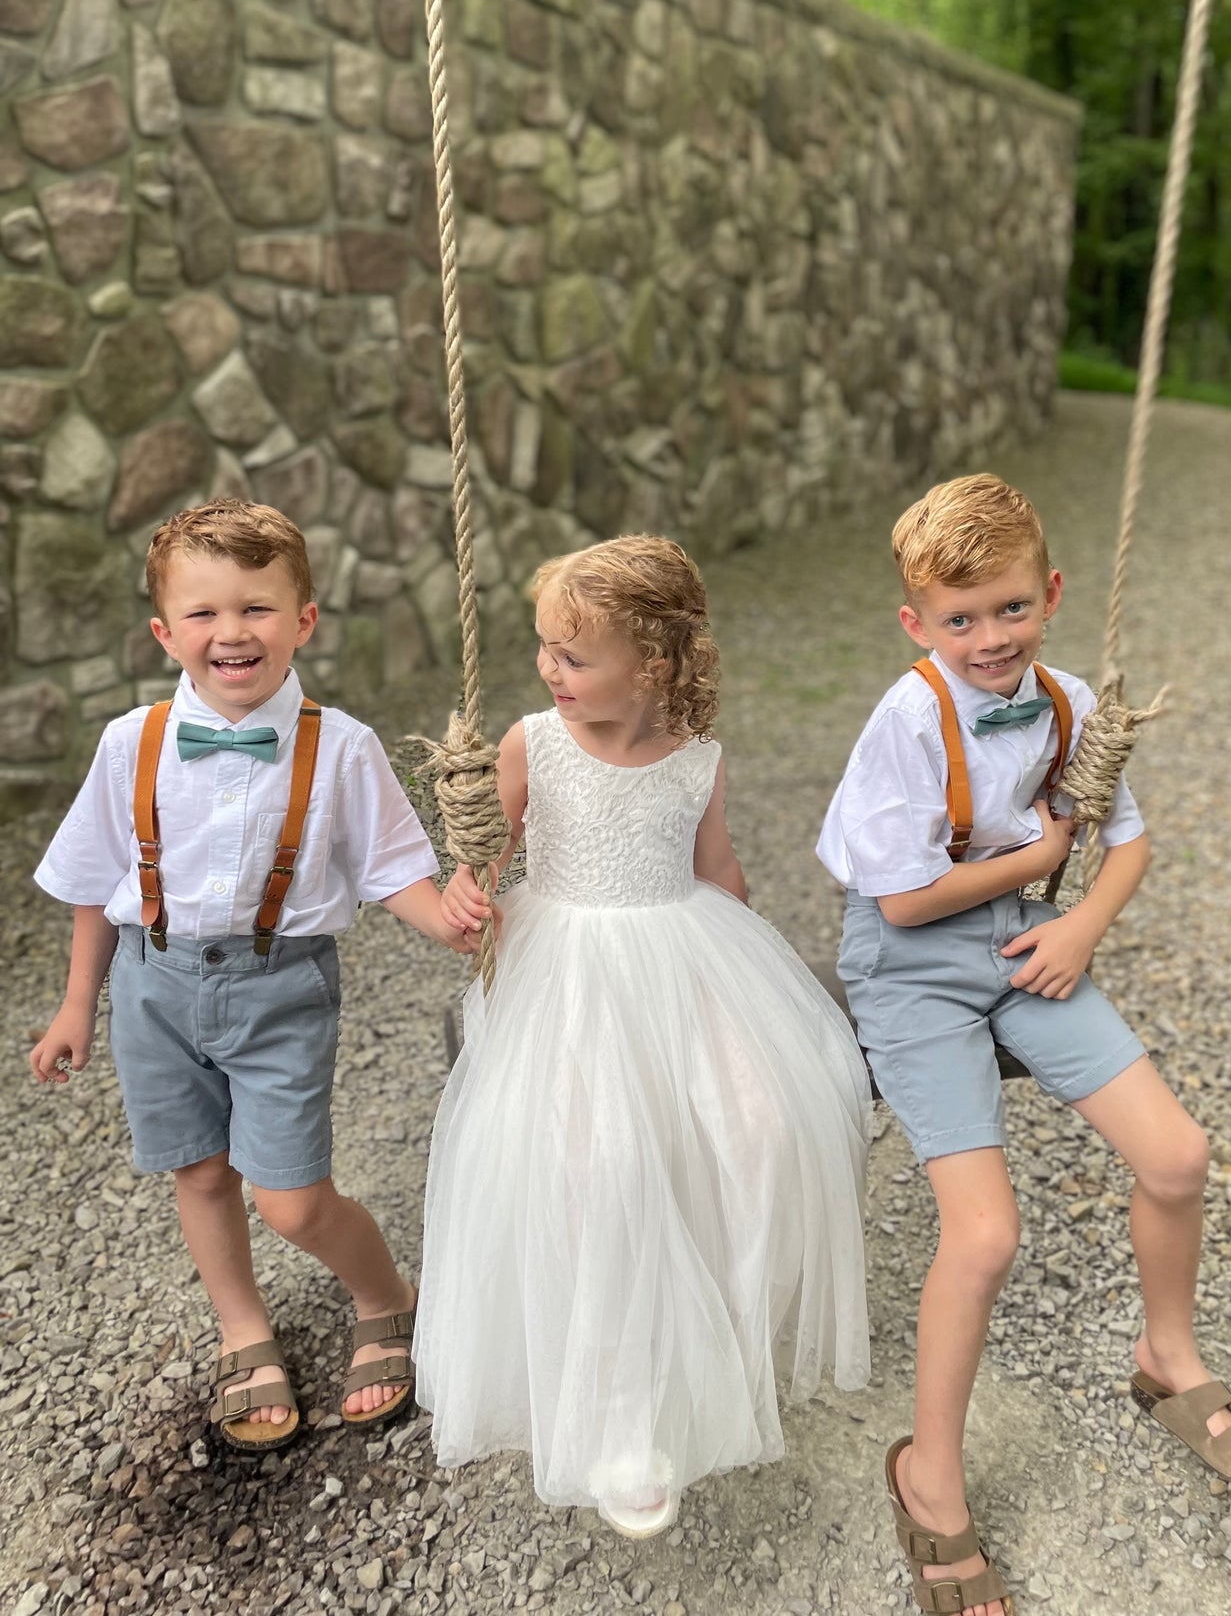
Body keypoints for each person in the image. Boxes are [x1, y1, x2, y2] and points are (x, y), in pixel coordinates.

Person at [819, 474, 1231, 1616]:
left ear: (1051, 594)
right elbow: (904, 906)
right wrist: (1037, 865)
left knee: (1175, 1155)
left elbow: (1120, 842)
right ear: (916, 623)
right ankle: (927, 1473)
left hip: (1033, 944)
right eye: (960, 618)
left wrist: (1074, 919)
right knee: (983, 1235)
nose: (989, 638)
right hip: (915, 966)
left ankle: (1166, 1352)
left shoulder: (1070, 701)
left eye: (1010, 609)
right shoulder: (904, 720)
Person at [417, 535, 872, 1538]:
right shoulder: (531, 744)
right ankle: (617, 1407)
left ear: (653, 665)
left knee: (761, 1125)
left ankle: (721, 1333)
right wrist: (465, 892)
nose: (548, 669)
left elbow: (718, 872)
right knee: (604, 1161)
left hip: (683, 949)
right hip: (568, 976)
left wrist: (758, 988)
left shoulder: (696, 761)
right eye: (543, 647)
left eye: (573, 656)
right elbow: (481, 868)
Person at [29, 499, 480, 1454]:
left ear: (304, 619)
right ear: (164, 633)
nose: (231, 632)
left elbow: (393, 863)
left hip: (279, 987)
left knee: (291, 1197)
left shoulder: (342, 745)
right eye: (203, 613)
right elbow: (89, 880)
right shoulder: (131, 742)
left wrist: (446, 917)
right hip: (151, 986)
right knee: (197, 1169)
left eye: (258, 608)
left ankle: (382, 1293)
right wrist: (77, 1003)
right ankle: (243, 1326)